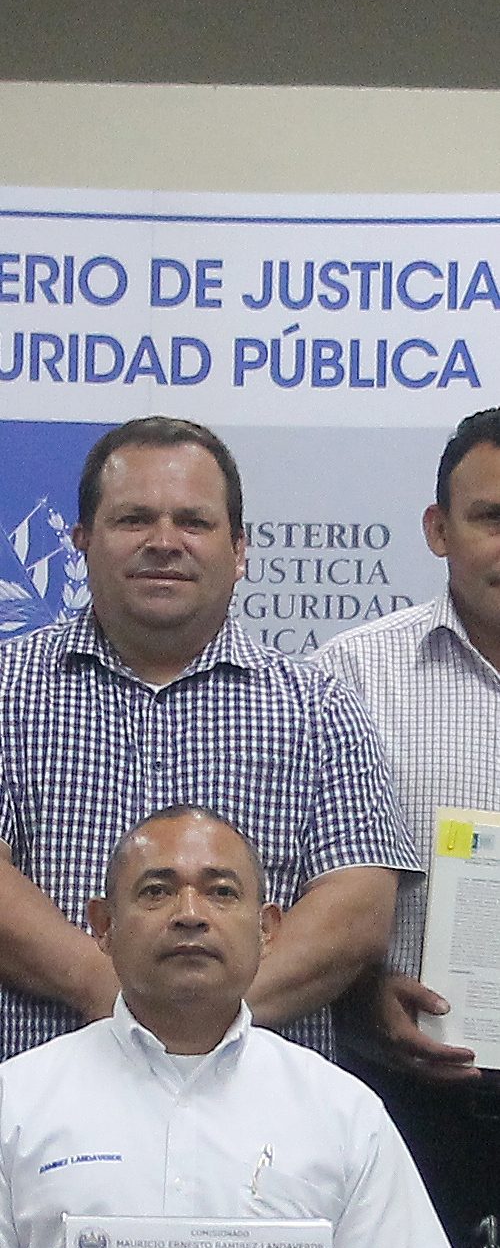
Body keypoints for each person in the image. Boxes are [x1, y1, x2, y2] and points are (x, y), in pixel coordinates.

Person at [0, 414, 417, 1067]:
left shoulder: (318, 706)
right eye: (134, 519)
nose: (164, 542)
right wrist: (106, 991)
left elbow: (357, 908)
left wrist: (208, 1015)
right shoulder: (7, 688)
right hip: (41, 1099)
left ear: (240, 548)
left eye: (193, 522)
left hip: (259, 1109)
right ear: (81, 540)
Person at [0, 805, 455, 1248]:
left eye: (221, 892)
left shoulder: (344, 1114)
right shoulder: (16, 1101)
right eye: (157, 891)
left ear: (266, 930)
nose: (190, 915)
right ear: (104, 926)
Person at [314, 408, 500, 1248]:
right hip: (407, 1108)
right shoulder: (348, 678)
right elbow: (283, 883)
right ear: (438, 529)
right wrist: (359, 990)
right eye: (491, 517)